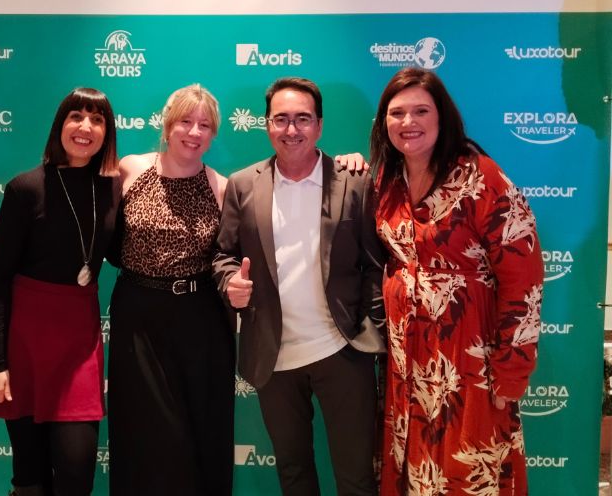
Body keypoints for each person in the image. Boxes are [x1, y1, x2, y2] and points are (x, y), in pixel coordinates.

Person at [364, 67, 543, 494]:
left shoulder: (482, 177)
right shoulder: (386, 180)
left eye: (421, 111)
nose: (408, 122)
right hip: (406, 360)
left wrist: (511, 370)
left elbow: (524, 280)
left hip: (469, 360)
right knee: (413, 471)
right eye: (396, 113)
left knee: (468, 469)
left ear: (442, 116)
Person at [213, 77, 386, 496]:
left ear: (319, 126)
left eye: (303, 119)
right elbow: (223, 255)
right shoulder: (242, 184)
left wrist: (370, 329)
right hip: (273, 357)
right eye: (281, 119)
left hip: (343, 351)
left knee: (357, 478)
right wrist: (229, 282)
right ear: (267, 125)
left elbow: (375, 264)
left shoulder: (353, 180)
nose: (292, 129)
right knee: (293, 476)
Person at [0, 88, 121, 496]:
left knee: (76, 472)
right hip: (23, 342)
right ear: (59, 125)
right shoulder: (25, 188)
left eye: (97, 119)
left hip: (79, 342)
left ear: (107, 133)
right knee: (30, 472)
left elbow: (121, 251)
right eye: (76, 116)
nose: (85, 127)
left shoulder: (113, 188)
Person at [107, 84, 236, 496]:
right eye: (185, 121)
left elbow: (227, 258)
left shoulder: (221, 186)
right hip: (137, 316)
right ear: (167, 125)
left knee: (197, 429)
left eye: (205, 125)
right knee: (140, 428)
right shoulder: (130, 169)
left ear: (213, 134)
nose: (194, 132)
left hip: (199, 318)